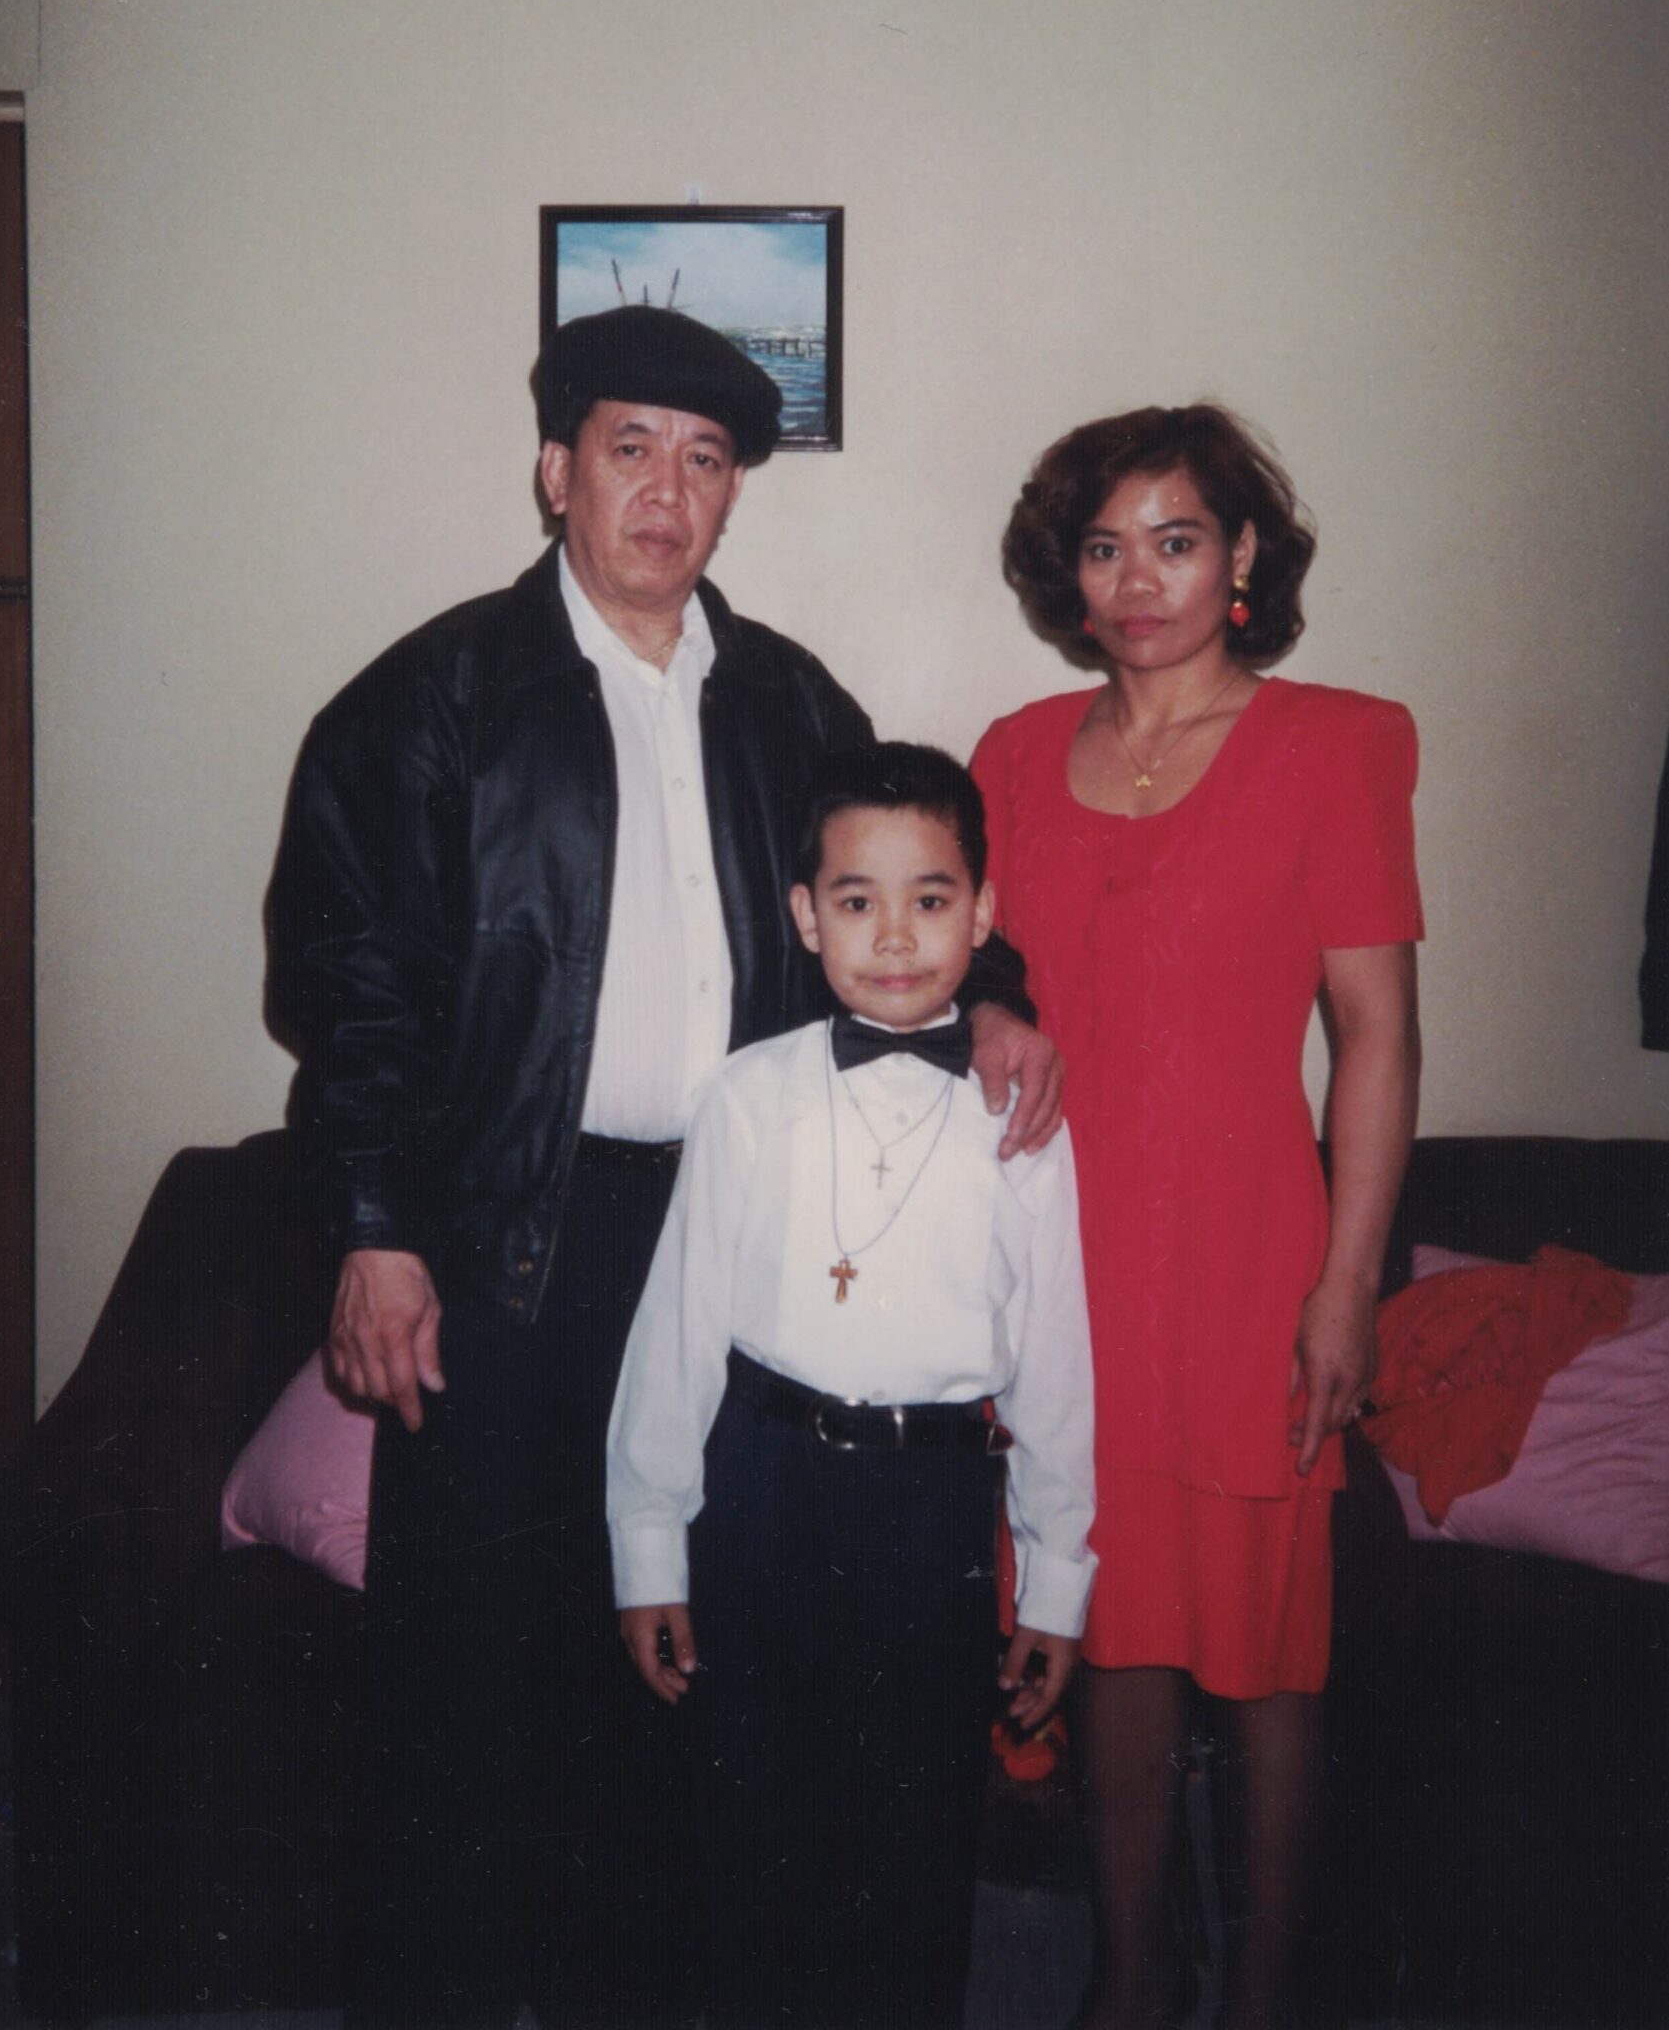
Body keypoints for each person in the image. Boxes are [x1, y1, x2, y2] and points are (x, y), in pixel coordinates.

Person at [264, 308, 1061, 2030]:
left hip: (732, 1241)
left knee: (673, 1664)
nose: (666, 490)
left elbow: (902, 877)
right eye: (629, 448)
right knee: (467, 1684)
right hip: (503, 1243)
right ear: (555, 471)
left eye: (704, 461)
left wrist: (995, 993)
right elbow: (351, 994)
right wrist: (376, 1232)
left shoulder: (788, 700)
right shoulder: (428, 702)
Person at [972, 403, 1423, 2030]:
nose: (1138, 580)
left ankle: (1264, 1995)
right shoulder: (1011, 755)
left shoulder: (1337, 743)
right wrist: (986, 1009)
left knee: (1266, 1653)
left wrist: (1346, 1287)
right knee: (1111, 1626)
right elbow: (968, 969)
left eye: (1175, 540)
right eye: (1104, 547)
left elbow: (1373, 1035)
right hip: (1059, 1268)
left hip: (1244, 1266)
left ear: (1240, 556)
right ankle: (1130, 1974)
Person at [606, 742, 1096, 2030]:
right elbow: (677, 1332)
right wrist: (649, 1546)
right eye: (857, 900)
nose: (893, 936)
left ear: (982, 917)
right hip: (763, 1491)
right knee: (750, 1823)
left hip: (935, 1505)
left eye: (931, 899)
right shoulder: (745, 1098)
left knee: (916, 1834)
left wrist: (1057, 1579)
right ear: (805, 915)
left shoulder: (1019, 1115)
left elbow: (1055, 1360)